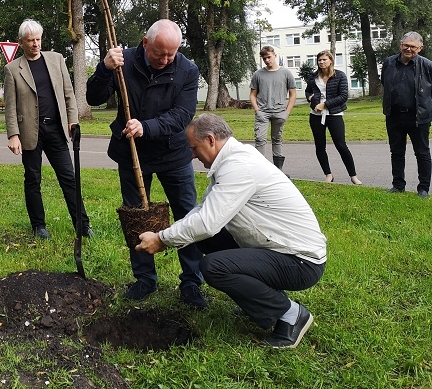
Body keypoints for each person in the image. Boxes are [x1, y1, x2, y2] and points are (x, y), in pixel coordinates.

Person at [137, 113, 327, 349]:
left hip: (301, 262)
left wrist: (162, 240)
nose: (193, 155)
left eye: (194, 148)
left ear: (210, 139)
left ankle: (291, 314)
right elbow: (203, 209)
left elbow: (207, 222)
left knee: (213, 267)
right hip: (279, 248)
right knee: (205, 240)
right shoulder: (232, 160)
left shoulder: (238, 166)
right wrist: (167, 232)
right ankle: (261, 301)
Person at [86, 19, 206, 308]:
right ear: (145, 42)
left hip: (172, 154)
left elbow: (182, 115)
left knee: (187, 215)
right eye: (159, 53)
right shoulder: (122, 61)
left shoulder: (187, 70)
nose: (165, 60)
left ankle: (191, 282)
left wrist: (147, 126)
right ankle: (145, 280)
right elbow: (93, 97)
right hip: (131, 152)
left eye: (171, 54)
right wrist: (104, 68)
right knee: (136, 215)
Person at [4, 19, 92, 238]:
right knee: (33, 179)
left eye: (38, 39)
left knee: (69, 178)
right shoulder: (13, 69)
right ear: (21, 43)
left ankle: (82, 225)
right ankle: (39, 226)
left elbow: (68, 93)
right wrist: (13, 135)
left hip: (56, 130)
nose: (35, 44)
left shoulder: (56, 60)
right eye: (30, 41)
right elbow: (10, 106)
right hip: (30, 132)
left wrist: (73, 120)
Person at [381, 31, 432, 198]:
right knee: (396, 152)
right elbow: (385, 84)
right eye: (406, 45)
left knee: (422, 153)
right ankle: (398, 185)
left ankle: (423, 188)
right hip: (394, 116)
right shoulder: (388, 63)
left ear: (420, 48)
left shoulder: (427, 66)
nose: (408, 49)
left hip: (418, 117)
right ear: (400, 45)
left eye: (413, 46)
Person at [305, 50, 362, 184]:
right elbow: (308, 90)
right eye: (319, 60)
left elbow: (343, 96)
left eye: (324, 59)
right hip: (316, 116)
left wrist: (324, 105)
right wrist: (310, 98)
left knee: (341, 145)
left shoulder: (340, 76)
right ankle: (328, 175)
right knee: (320, 146)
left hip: (334, 114)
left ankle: (353, 176)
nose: (321, 62)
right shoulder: (313, 77)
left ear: (331, 60)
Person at [250, 45, 296, 171]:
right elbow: (253, 95)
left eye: (269, 57)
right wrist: (257, 110)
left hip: (280, 113)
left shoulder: (286, 73)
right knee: (260, 139)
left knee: (277, 139)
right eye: (264, 58)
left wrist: (287, 112)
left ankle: (278, 170)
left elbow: (292, 94)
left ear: (275, 55)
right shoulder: (258, 74)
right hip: (263, 113)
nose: (267, 60)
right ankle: (260, 170)